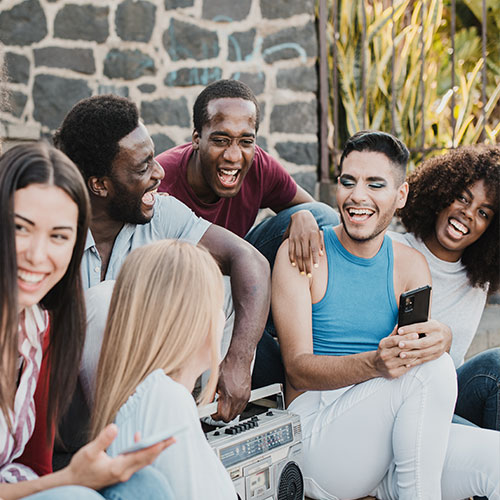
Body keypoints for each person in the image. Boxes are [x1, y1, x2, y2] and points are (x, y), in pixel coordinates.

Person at [272, 131, 500, 499]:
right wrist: (376, 364)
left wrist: (437, 338)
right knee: (434, 368)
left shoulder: (410, 266)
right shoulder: (305, 253)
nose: (357, 196)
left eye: (375, 184)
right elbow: (297, 367)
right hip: (317, 438)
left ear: (401, 196)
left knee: (496, 460)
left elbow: (410, 366)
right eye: (349, 182)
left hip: (389, 444)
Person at [52, 94, 270, 437]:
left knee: (220, 287)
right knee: (105, 300)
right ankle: (135, 439)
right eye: (142, 167)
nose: (160, 172)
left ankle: (201, 418)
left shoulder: (160, 212)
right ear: (99, 185)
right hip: (67, 411)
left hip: (149, 395)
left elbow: (249, 260)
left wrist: (239, 359)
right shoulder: (51, 231)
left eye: (153, 158)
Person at [0, 142, 174, 499]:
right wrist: (71, 480)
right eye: (21, 228)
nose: (37, 255)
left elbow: (36, 463)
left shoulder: (36, 330)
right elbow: (50, 481)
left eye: (59, 236)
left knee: (146, 484)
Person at [156, 79, 339, 387]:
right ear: (196, 139)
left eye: (245, 141)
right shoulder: (164, 184)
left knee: (321, 218)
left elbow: (323, 216)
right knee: (273, 370)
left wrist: (304, 215)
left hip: (245, 272)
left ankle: (296, 328)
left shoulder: (259, 166)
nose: (233, 156)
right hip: (184, 297)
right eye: (221, 140)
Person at [91, 240, 236, 499]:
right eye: (217, 304)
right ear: (192, 321)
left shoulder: (155, 397)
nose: (222, 316)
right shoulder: (167, 401)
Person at [391, 145, 500, 430]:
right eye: (462, 198)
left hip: (447, 393)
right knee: (482, 446)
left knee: (497, 365)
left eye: (484, 213)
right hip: (394, 396)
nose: (467, 214)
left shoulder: (479, 277)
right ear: (440, 194)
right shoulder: (393, 248)